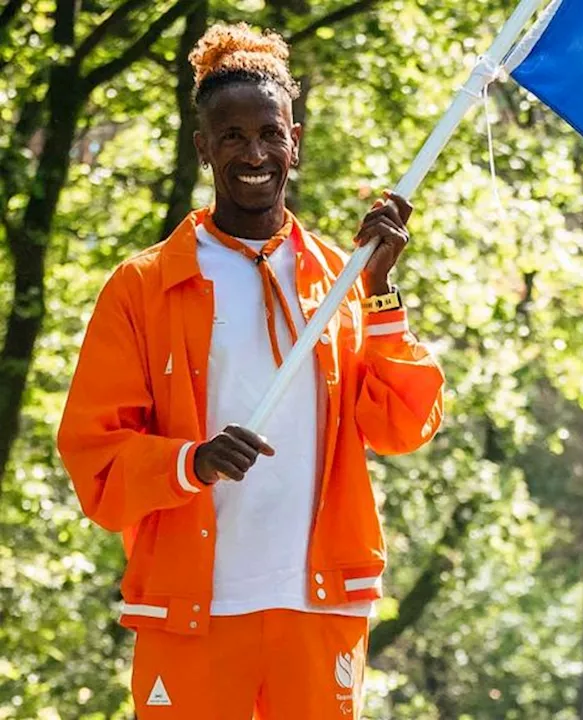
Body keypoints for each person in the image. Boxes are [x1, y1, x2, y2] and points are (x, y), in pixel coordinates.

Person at [57, 23, 445, 719]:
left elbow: (403, 425)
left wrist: (381, 291)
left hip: (318, 605)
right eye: (231, 136)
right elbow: (96, 461)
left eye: (269, 133)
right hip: (191, 612)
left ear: (294, 141)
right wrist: (190, 462)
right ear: (203, 148)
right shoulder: (142, 284)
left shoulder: (341, 276)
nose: (254, 152)